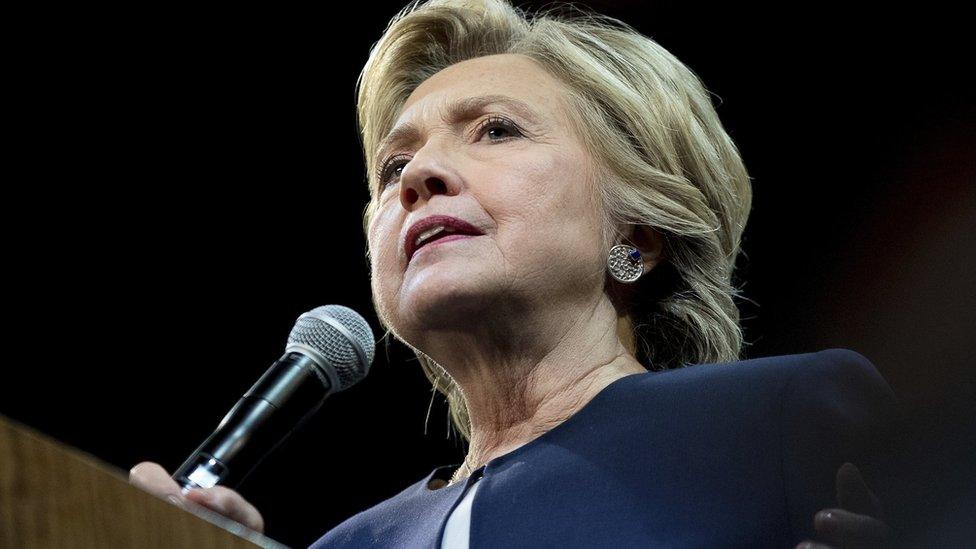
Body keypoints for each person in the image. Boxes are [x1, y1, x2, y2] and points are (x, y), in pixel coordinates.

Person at [129, 0, 899, 546]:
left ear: (637, 231)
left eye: (496, 130)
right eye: (395, 163)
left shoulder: (779, 426)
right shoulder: (348, 544)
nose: (418, 176)